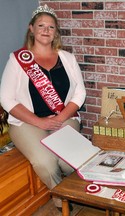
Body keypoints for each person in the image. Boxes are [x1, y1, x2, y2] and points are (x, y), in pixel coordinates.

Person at [0, 4, 86, 211]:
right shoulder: (18, 60)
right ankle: (61, 197)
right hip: (28, 122)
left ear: (56, 32)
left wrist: (60, 117)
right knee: (46, 163)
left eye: (51, 27)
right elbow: (6, 99)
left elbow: (79, 93)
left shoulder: (67, 58)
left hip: (64, 117)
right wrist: (40, 122)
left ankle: (75, 189)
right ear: (31, 28)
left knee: (68, 161)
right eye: (41, 25)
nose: (46, 30)